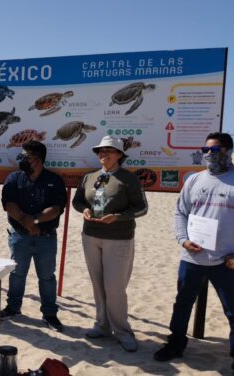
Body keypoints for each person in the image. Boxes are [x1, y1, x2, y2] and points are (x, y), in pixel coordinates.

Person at [154, 132, 234, 367]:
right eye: (205, 149)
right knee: (182, 305)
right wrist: (183, 240)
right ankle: (176, 344)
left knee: (232, 311)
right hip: (192, 257)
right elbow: (180, 212)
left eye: (215, 150)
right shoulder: (194, 180)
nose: (209, 154)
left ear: (228, 151)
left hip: (226, 261)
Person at [72, 135, 148, 352]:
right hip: (90, 236)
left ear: (120, 155)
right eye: (99, 151)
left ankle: (123, 331)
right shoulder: (89, 177)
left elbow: (142, 208)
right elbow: (77, 201)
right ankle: (102, 325)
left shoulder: (129, 179)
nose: (102, 154)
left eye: (108, 151)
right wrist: (84, 210)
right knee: (97, 284)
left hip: (119, 238)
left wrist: (118, 217)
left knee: (114, 288)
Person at [0, 141, 67, 332]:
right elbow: (9, 203)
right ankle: (13, 308)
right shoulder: (14, 178)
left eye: (27, 156)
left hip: (46, 238)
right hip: (19, 236)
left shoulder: (54, 180)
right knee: (17, 274)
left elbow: (56, 208)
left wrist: (36, 220)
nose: (22, 159)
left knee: (46, 277)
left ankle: (49, 314)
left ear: (39, 160)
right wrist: (24, 220)